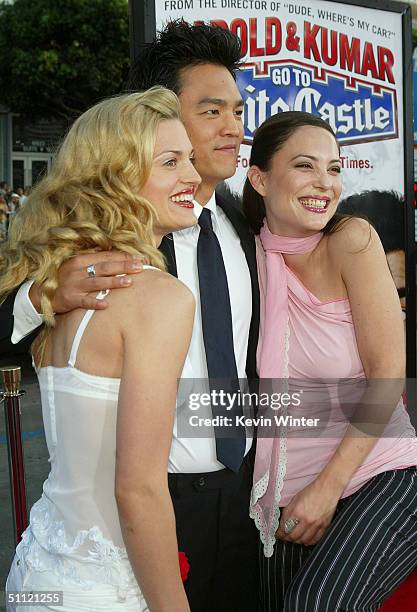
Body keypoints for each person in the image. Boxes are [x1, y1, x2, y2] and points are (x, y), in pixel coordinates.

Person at [0, 21, 260, 611]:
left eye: (238, 110)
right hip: (147, 506)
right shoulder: (98, 261)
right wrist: (40, 295)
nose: (233, 127)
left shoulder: (250, 223)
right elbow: (134, 487)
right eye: (211, 110)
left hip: (240, 493)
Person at [2, 87, 201, 611]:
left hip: (37, 573)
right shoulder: (160, 299)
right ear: (117, 176)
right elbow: (137, 489)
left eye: (191, 160)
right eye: (171, 161)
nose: (194, 177)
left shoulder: (58, 283)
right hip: (104, 590)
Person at [243, 111, 417, 611]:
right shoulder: (245, 257)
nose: (325, 183)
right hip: (282, 490)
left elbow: (389, 377)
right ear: (260, 178)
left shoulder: (352, 240)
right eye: (306, 166)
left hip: (382, 474)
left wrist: (328, 489)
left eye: (334, 168)